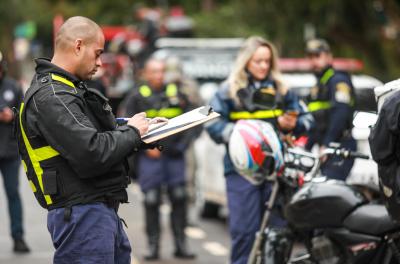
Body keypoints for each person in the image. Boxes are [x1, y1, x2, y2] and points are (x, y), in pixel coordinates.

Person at [15, 16, 153, 264]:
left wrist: (139, 131)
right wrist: (132, 134)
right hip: (83, 216)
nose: (100, 63)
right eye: (97, 53)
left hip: (93, 212)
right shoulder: (53, 96)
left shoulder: (66, 89)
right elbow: (92, 152)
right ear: (78, 45)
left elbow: (90, 133)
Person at [205, 36, 314, 264]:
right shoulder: (229, 91)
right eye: (258, 61)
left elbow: (307, 119)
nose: (263, 66)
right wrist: (239, 137)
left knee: (277, 234)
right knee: (244, 233)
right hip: (240, 172)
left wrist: (293, 124)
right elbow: (212, 123)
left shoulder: (282, 91)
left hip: (276, 174)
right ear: (246, 62)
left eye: (267, 61)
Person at [123, 58, 196, 261]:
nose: (158, 76)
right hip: (150, 157)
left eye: (161, 71)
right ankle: (153, 246)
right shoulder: (136, 96)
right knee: (152, 199)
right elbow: (126, 127)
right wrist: (144, 148)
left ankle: (181, 244)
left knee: (180, 197)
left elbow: (192, 123)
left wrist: (181, 146)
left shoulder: (177, 95)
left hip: (174, 156)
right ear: (146, 73)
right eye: (154, 72)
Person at [304, 38, 357, 180]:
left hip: (339, 146)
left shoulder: (338, 81)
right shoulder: (318, 86)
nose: (314, 61)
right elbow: (314, 122)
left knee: (330, 190)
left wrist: (327, 144)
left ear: (329, 57)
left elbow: (340, 114)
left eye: (318, 56)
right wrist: (305, 147)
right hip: (324, 148)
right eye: (310, 57)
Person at [0, 50, 30, 253]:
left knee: (13, 194)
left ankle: (18, 237)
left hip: (10, 152)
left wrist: (13, 114)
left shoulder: (12, 85)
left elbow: (24, 113)